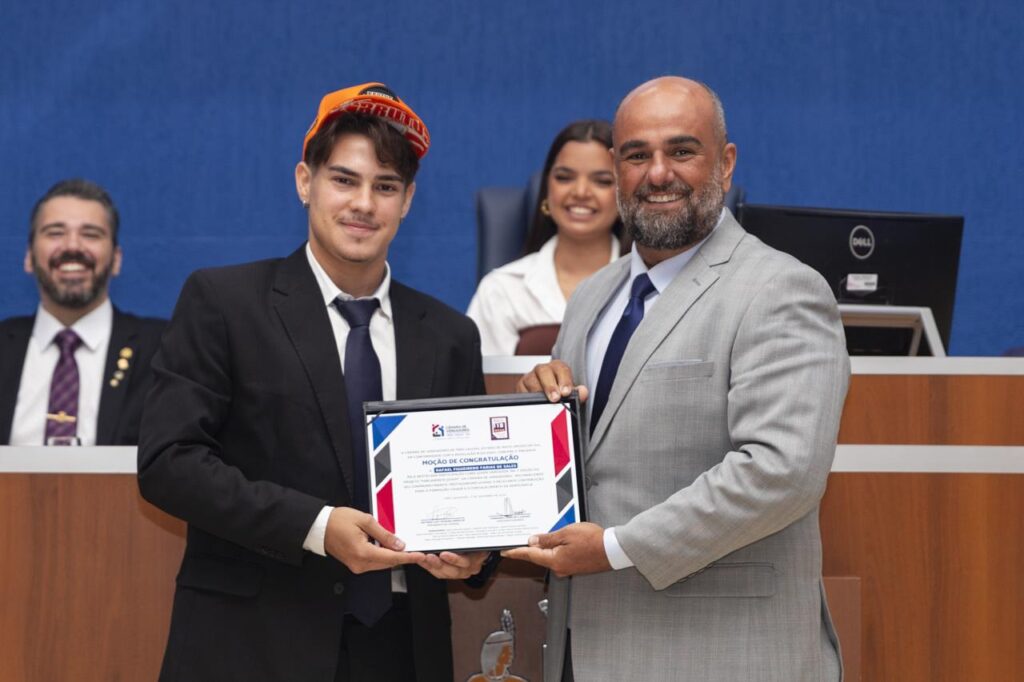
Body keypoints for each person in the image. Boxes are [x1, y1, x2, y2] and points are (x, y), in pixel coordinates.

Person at [137, 82, 489, 682]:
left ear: (407, 201)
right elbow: (169, 463)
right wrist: (319, 527)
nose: (364, 204)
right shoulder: (223, 302)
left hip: (402, 648)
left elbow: (471, 493)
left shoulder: (450, 334)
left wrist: (478, 554)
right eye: (344, 180)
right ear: (306, 181)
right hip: (252, 645)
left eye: (386, 187)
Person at [504, 76, 851, 681]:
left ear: (726, 162)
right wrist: (539, 417)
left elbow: (781, 472)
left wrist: (615, 548)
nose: (657, 172)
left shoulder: (780, 288)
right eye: (636, 154)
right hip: (585, 652)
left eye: (682, 151)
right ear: (616, 168)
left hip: (721, 656)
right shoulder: (593, 296)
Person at [0, 179, 165, 446]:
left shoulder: (162, 351)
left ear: (116, 259)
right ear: (29, 257)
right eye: (55, 233)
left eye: (91, 234)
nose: (72, 246)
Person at [467, 120, 624, 355]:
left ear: (624, 193)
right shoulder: (502, 290)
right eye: (564, 177)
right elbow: (486, 387)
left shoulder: (646, 285)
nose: (580, 192)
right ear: (546, 190)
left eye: (602, 181)